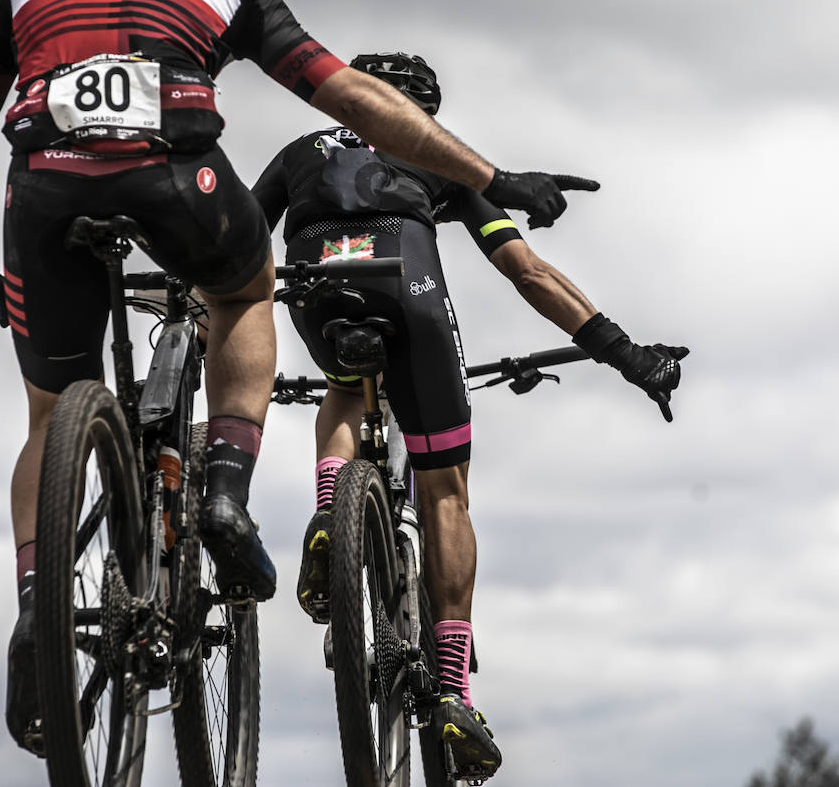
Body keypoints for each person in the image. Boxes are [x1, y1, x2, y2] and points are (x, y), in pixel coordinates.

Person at [0, 0, 591, 758]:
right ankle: (226, 496)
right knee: (243, 288)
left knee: (49, 414)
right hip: (173, 177)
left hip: (41, 191)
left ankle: (37, 604)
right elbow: (355, 100)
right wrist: (494, 177)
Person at [252, 52, 688, 778]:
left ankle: (329, 510)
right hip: (408, 284)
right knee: (445, 490)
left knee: (345, 383)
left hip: (314, 279)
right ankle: (453, 690)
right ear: (422, 113)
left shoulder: (301, 150)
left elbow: (234, 243)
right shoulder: (439, 158)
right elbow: (529, 272)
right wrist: (626, 354)